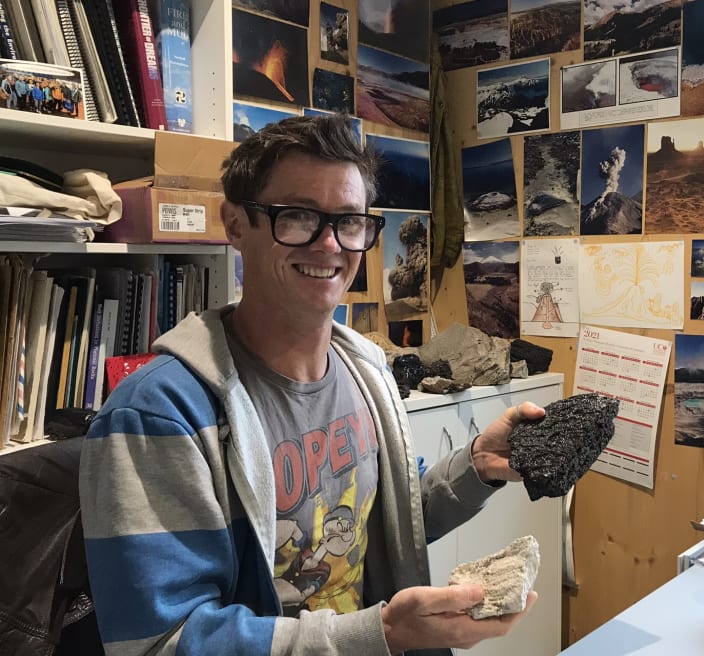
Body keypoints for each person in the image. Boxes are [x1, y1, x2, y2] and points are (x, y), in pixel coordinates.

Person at [79, 114, 544, 656]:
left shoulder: (365, 371)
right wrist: (383, 633)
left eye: (349, 221)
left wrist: (475, 466)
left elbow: (372, 530)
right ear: (234, 223)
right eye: (298, 216)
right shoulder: (160, 413)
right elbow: (160, 642)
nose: (330, 245)